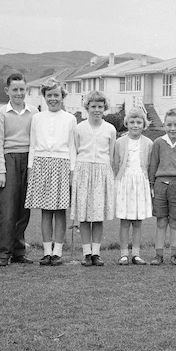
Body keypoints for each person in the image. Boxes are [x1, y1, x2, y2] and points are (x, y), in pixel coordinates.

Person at [24, 79, 77, 266]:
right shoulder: (37, 118)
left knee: (60, 210)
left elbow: (72, 147)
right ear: (44, 97)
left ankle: (58, 252)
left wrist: (72, 171)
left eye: (56, 95)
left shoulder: (70, 119)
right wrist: (31, 169)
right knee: (46, 211)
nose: (53, 99)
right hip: (41, 164)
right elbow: (32, 144)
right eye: (49, 95)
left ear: (62, 97)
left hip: (62, 164)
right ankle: (47, 252)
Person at [0, 73, 35, 266]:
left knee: (23, 210)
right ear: (7, 91)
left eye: (22, 89)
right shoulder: (1, 113)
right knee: (8, 209)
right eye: (15, 89)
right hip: (9, 160)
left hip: (28, 160)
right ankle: (4, 253)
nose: (19, 93)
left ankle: (19, 251)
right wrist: (0, 170)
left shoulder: (34, 112)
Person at [71, 91, 116, 266]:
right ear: (87, 107)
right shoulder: (79, 128)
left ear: (104, 108)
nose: (96, 110)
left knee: (97, 215)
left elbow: (111, 156)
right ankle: (86, 253)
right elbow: (75, 151)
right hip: (83, 171)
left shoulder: (110, 129)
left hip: (101, 172)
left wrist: (109, 175)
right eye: (93, 106)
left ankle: (96, 253)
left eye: (100, 107)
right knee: (83, 215)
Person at [148, 108, 176, 265]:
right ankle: (158, 255)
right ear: (164, 125)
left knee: (175, 222)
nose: (173, 128)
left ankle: (174, 255)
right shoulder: (158, 143)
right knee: (161, 221)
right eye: (169, 125)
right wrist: (152, 187)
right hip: (160, 185)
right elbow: (153, 166)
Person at [114, 107, 153, 265]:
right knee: (124, 220)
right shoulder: (120, 142)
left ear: (144, 124)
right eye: (132, 122)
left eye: (139, 122)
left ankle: (136, 254)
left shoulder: (149, 143)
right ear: (127, 123)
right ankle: (123, 254)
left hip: (140, 182)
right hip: (125, 181)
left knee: (137, 221)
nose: (135, 125)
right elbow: (115, 163)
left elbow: (149, 165)